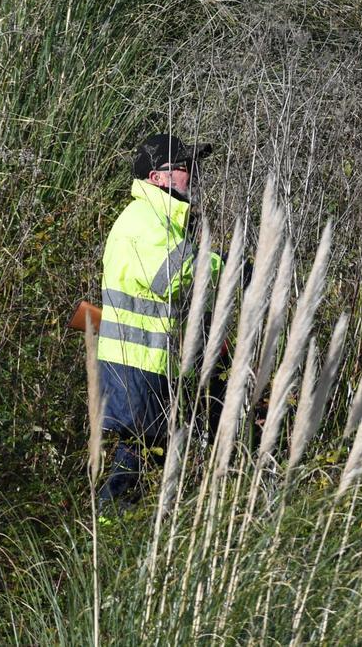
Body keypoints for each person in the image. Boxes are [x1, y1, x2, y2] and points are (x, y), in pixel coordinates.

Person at [95, 133, 223, 510]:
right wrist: (225, 265)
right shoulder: (143, 221)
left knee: (145, 452)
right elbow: (169, 277)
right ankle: (110, 526)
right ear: (156, 177)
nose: (191, 174)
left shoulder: (162, 220)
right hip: (136, 365)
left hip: (149, 363)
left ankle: (119, 526)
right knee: (140, 452)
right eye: (184, 167)